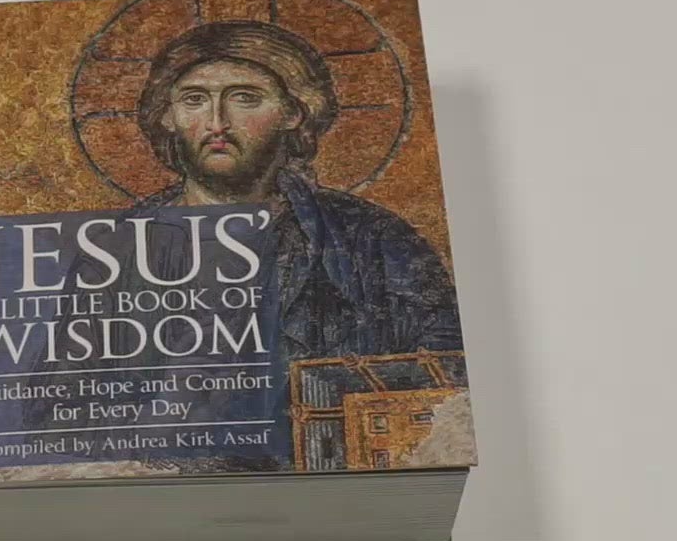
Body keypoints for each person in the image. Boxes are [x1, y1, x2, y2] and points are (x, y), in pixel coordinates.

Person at [131, 20, 462, 360]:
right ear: (167, 116)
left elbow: (446, 360)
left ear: (293, 112)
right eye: (194, 99)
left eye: (245, 98)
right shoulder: (119, 245)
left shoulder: (372, 239)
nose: (216, 123)